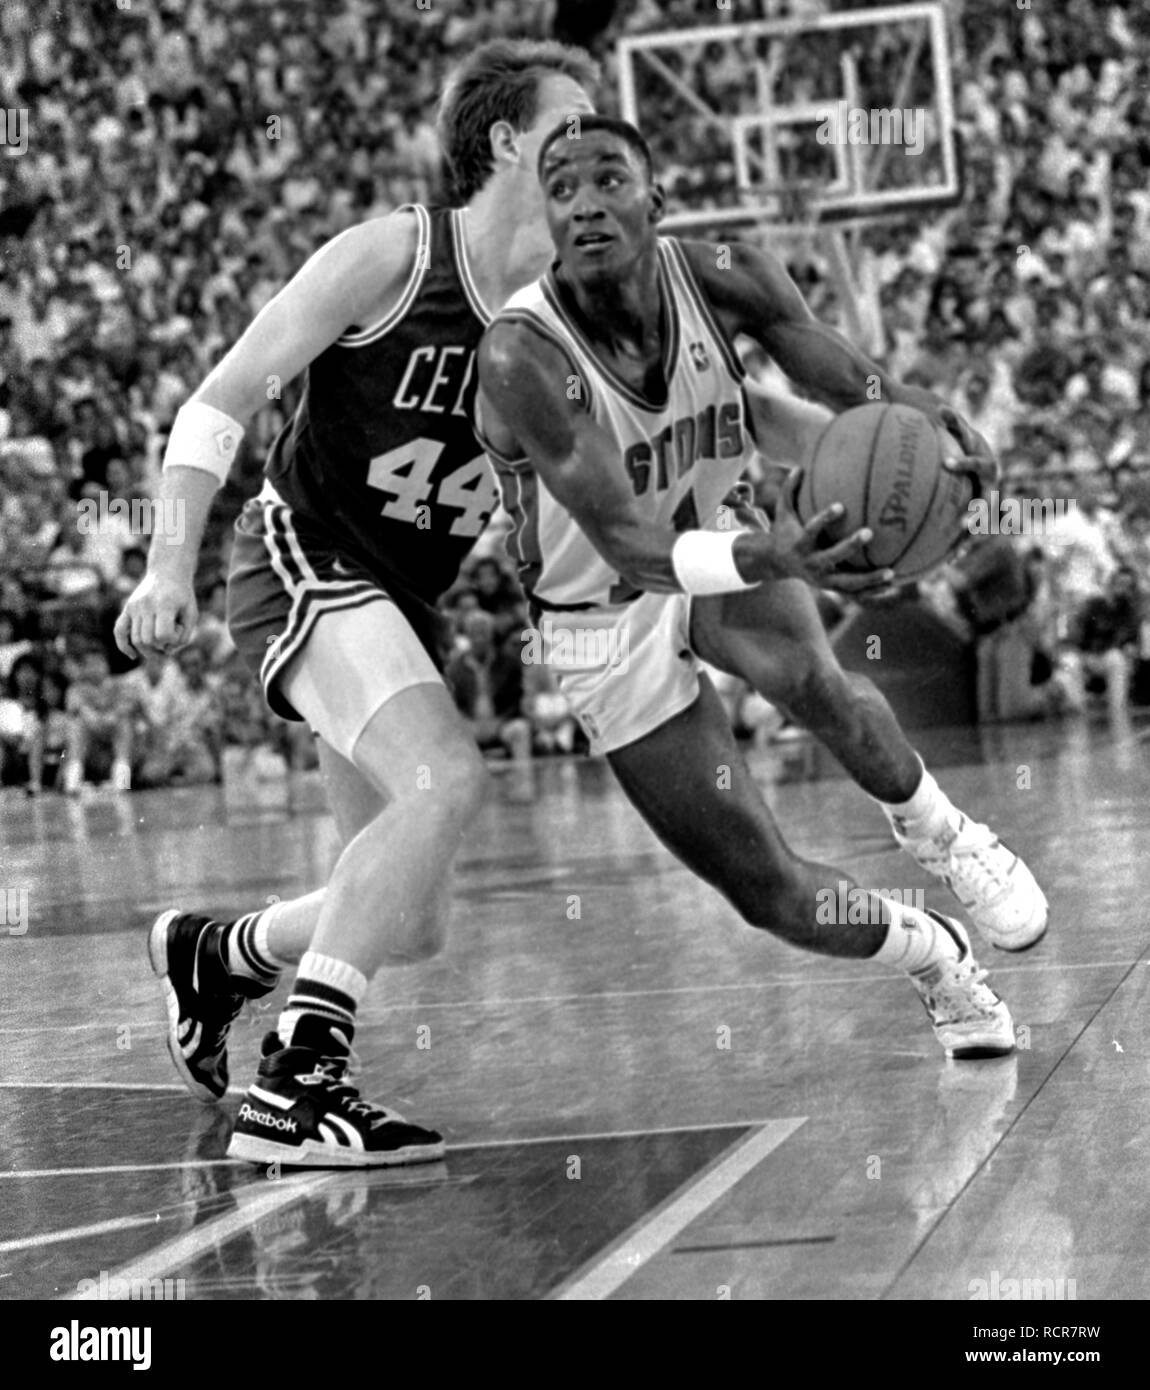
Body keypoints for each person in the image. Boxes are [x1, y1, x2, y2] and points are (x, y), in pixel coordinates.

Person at [115, 39, 600, 1168]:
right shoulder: (395, 254)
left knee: (407, 916)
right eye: (575, 118)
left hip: (398, 601)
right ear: (508, 142)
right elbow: (220, 397)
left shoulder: (563, 319)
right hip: (302, 552)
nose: (600, 138)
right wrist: (164, 562)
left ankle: (218, 953)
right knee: (448, 776)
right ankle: (297, 1085)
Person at [473, 115, 1049, 1058]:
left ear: (656, 199)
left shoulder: (724, 273)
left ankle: (947, 836)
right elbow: (629, 545)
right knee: (769, 894)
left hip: (722, 535)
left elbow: (855, 389)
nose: (583, 204)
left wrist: (939, 428)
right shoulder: (519, 355)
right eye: (562, 189)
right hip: (598, 616)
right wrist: (776, 557)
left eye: (607, 178)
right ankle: (931, 954)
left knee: (817, 685)